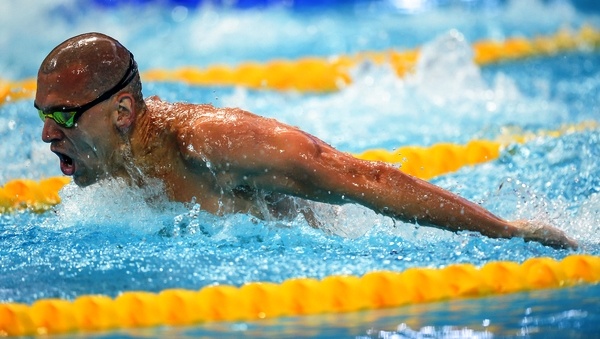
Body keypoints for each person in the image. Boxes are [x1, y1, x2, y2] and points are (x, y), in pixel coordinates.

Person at [35, 32, 577, 249]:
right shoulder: (107, 161)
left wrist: (509, 232)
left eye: (61, 115)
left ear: (124, 111)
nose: (46, 134)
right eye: (42, 114)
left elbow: (363, 178)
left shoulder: (213, 146)